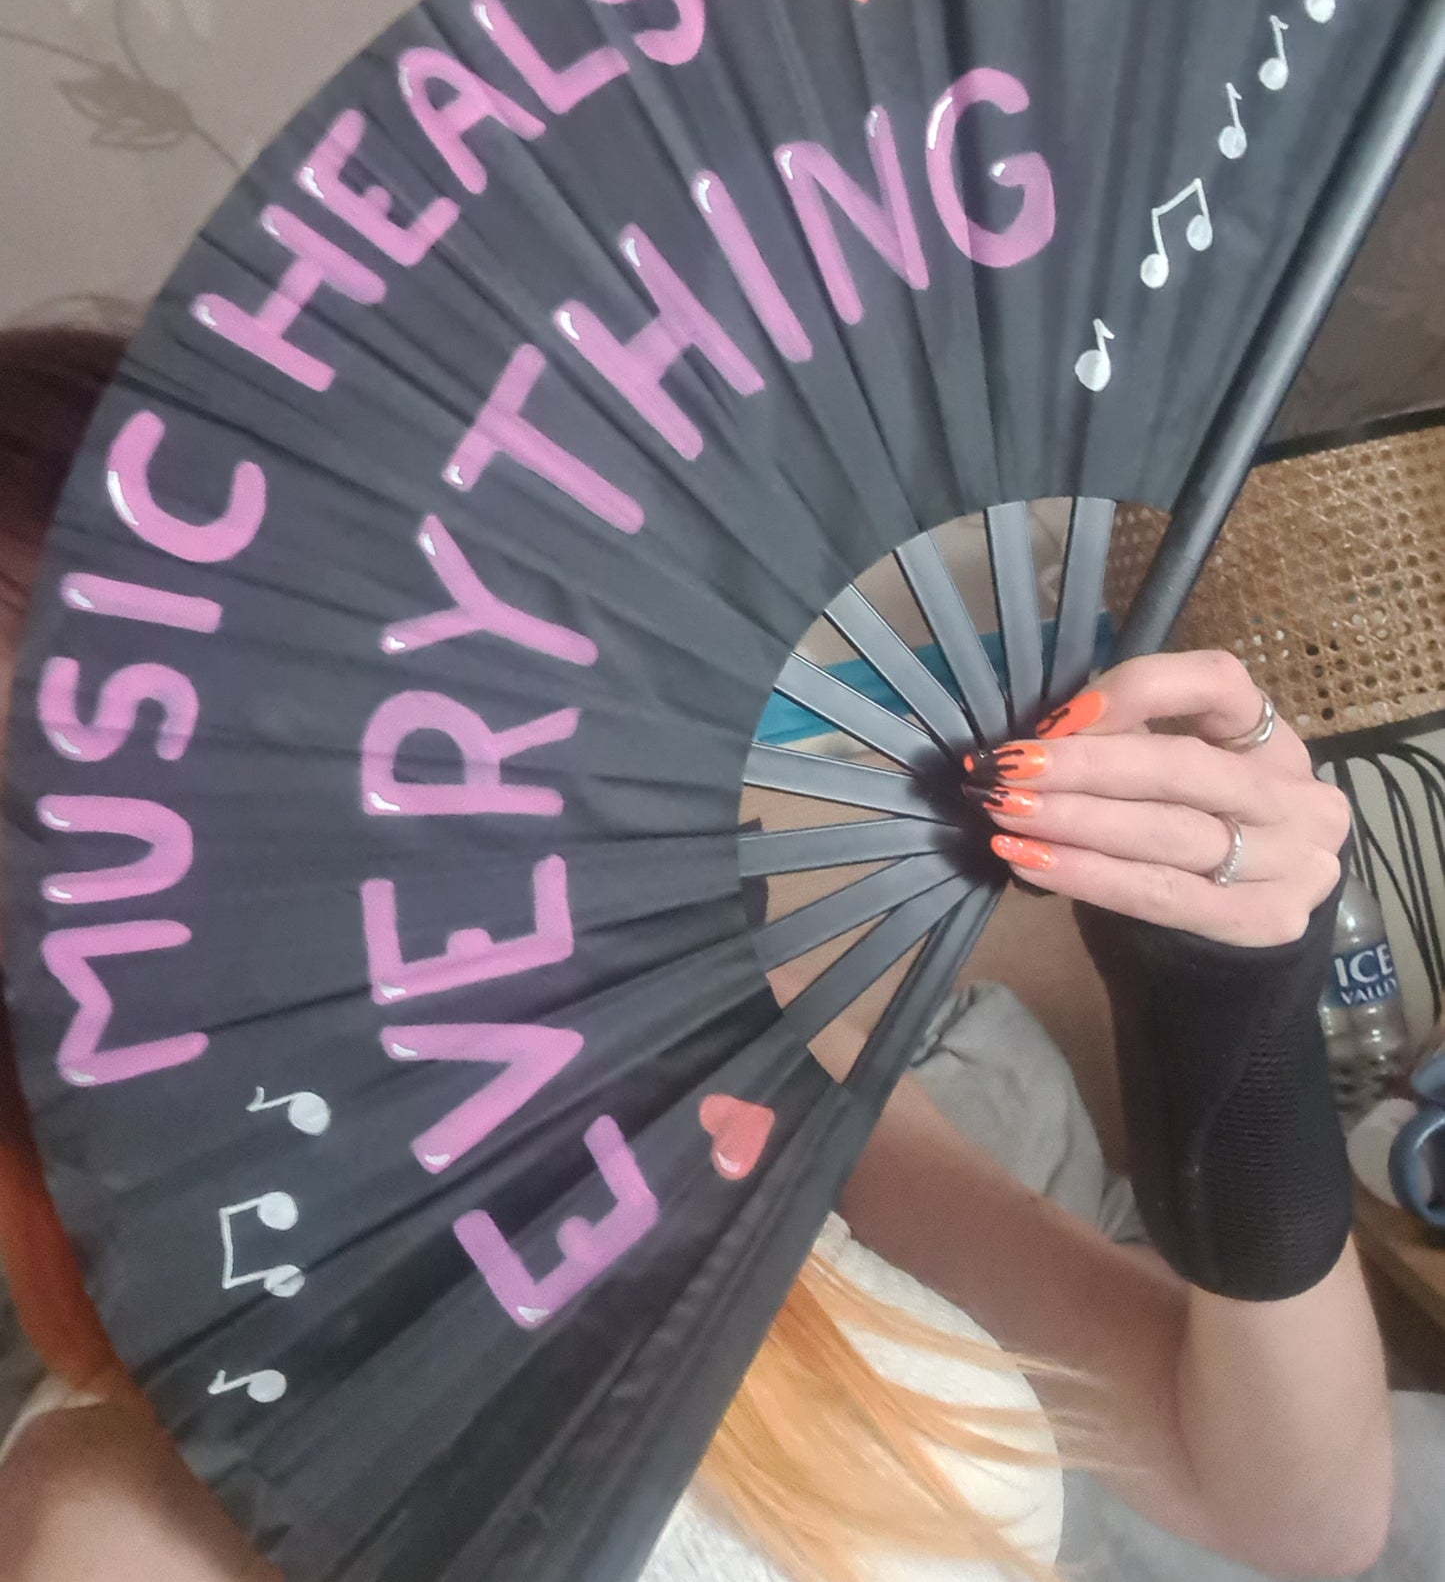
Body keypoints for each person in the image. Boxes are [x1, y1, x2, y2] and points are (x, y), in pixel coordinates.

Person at [0, 324, 1391, 1582]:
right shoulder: (120, 1524)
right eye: (87, 815)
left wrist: (1231, 1037)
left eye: (268, 688)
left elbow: (1291, 1512)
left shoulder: (709, 1045)